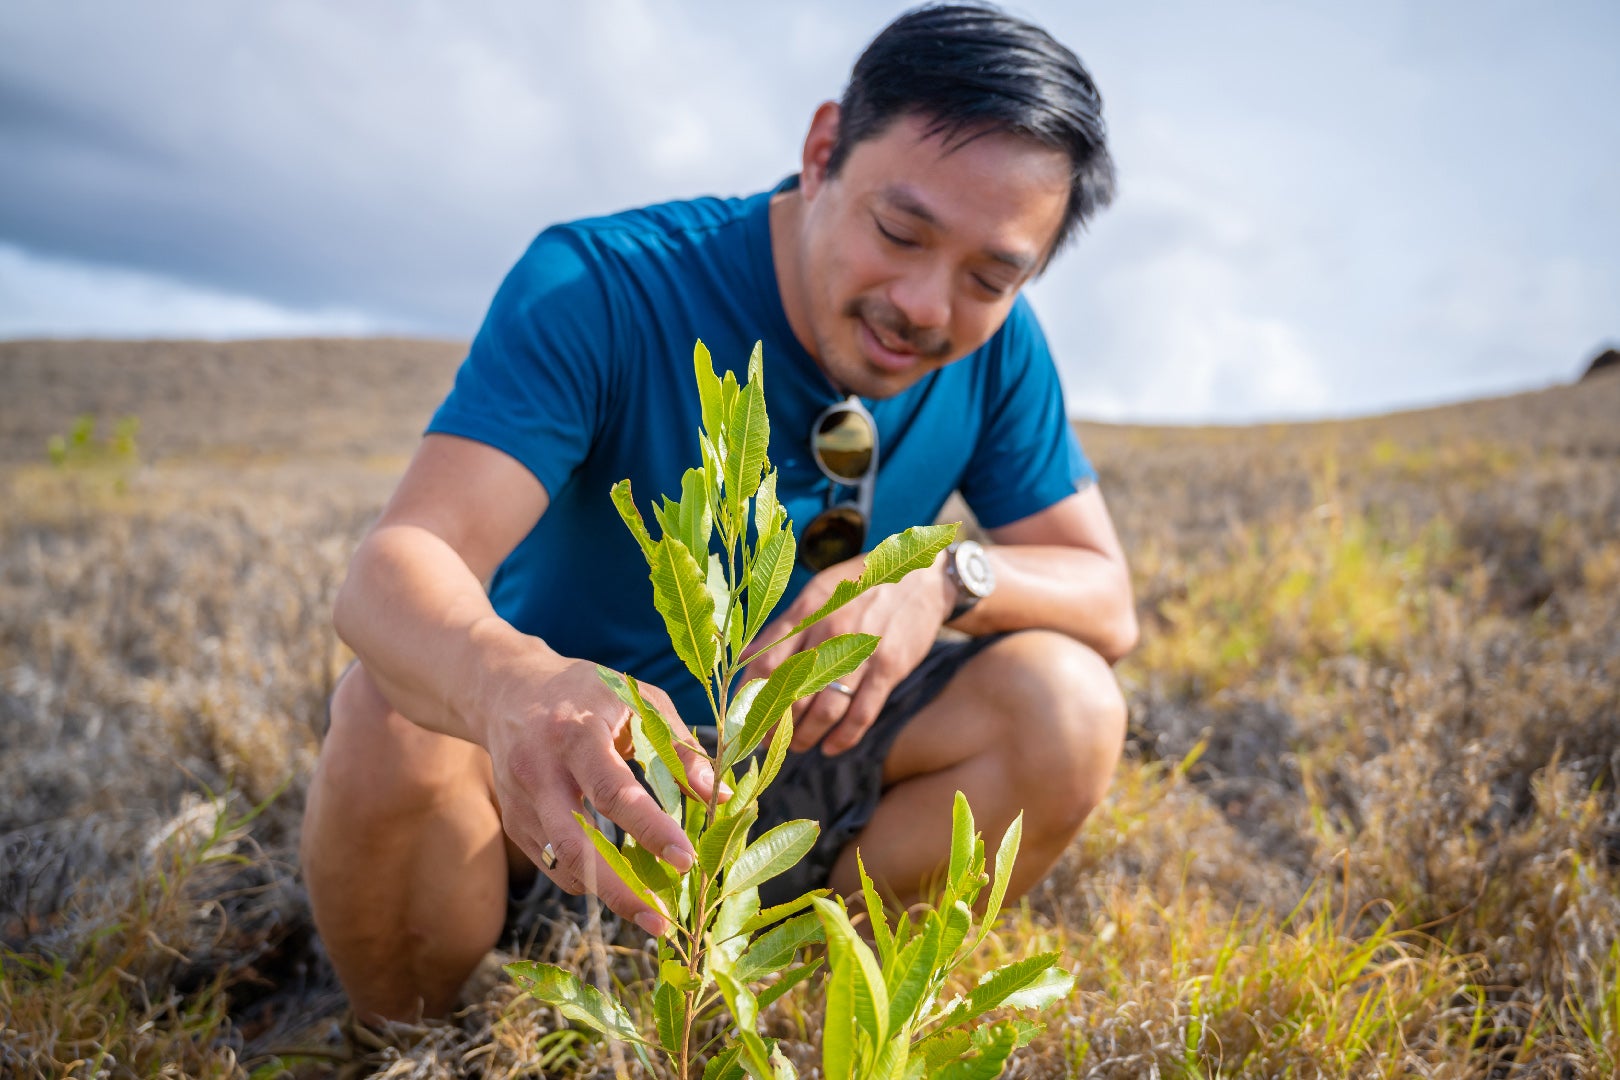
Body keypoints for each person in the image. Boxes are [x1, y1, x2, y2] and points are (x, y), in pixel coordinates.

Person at [301, 1, 1137, 1024]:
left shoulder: (1001, 348)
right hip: (564, 768)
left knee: (1068, 704)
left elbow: (1106, 598)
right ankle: (416, 1043)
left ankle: (772, 1013)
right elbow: (397, 566)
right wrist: (510, 686)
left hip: (790, 775)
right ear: (825, 146)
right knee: (394, 703)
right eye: (899, 231)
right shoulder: (603, 286)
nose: (926, 303)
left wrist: (941, 580)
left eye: (990, 275)